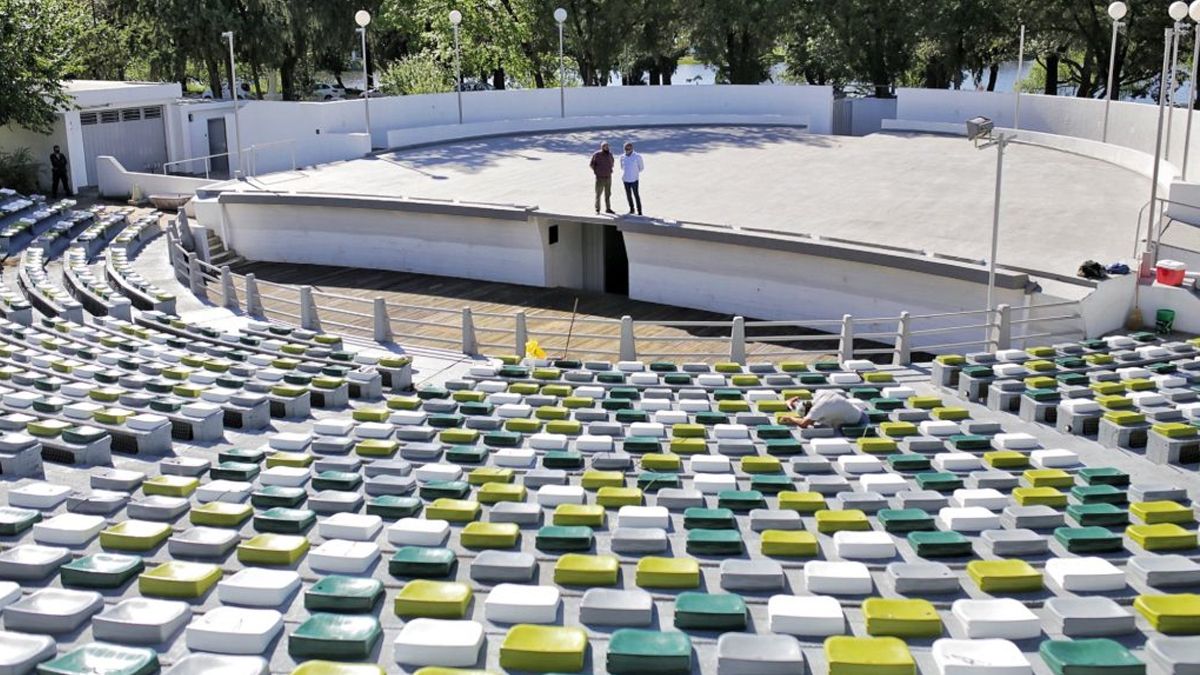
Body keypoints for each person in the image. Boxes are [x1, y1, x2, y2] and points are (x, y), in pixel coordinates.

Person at [779, 389, 868, 429]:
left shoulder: (817, 410)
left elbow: (803, 424)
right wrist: (792, 403)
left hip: (858, 422)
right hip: (858, 411)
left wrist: (791, 419)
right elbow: (806, 407)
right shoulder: (820, 393)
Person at [589, 142, 615, 214]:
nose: (606, 147)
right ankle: (597, 209)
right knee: (598, 194)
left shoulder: (610, 154)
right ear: (601, 147)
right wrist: (597, 171)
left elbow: (612, 163)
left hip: (608, 177)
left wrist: (609, 169)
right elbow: (591, 165)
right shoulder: (597, 154)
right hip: (600, 178)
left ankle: (608, 208)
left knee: (608, 194)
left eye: (607, 146)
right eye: (604, 146)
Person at [620, 142, 644, 215]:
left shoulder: (637, 156)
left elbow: (641, 168)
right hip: (626, 179)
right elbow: (622, 167)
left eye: (628, 148)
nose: (627, 150)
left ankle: (639, 211)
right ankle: (631, 209)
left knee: (636, 195)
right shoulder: (622, 157)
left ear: (632, 148)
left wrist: (634, 173)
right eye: (625, 148)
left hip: (634, 179)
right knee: (628, 195)